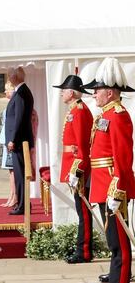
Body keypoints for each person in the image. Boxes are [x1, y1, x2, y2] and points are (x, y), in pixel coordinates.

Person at [85, 57, 135, 283]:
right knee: (112, 238)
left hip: (114, 186)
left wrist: (118, 189)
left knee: (121, 241)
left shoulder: (118, 115)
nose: (94, 94)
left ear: (111, 92)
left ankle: (121, 278)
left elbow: (122, 157)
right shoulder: (104, 115)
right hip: (103, 183)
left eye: (97, 90)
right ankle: (116, 274)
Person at [54, 73, 94, 264]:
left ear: (72, 93)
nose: (62, 93)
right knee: (81, 210)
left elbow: (82, 145)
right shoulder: (74, 110)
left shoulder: (79, 111)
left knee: (83, 211)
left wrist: (77, 170)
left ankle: (84, 251)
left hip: (79, 169)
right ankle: (83, 248)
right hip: (74, 167)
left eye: (64, 90)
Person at [4, 66, 34, 216]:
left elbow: (19, 119)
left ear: (15, 77)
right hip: (18, 140)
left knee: (20, 174)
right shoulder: (20, 92)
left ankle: (22, 205)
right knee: (18, 174)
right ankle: (21, 204)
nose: (8, 78)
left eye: (9, 75)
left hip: (19, 141)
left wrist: (13, 139)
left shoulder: (22, 93)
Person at [0, 82, 16, 208]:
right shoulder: (10, 104)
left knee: (13, 171)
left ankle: (14, 196)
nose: (5, 92)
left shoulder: (15, 104)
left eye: (7, 90)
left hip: (11, 142)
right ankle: (11, 194)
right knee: (10, 171)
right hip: (6, 141)